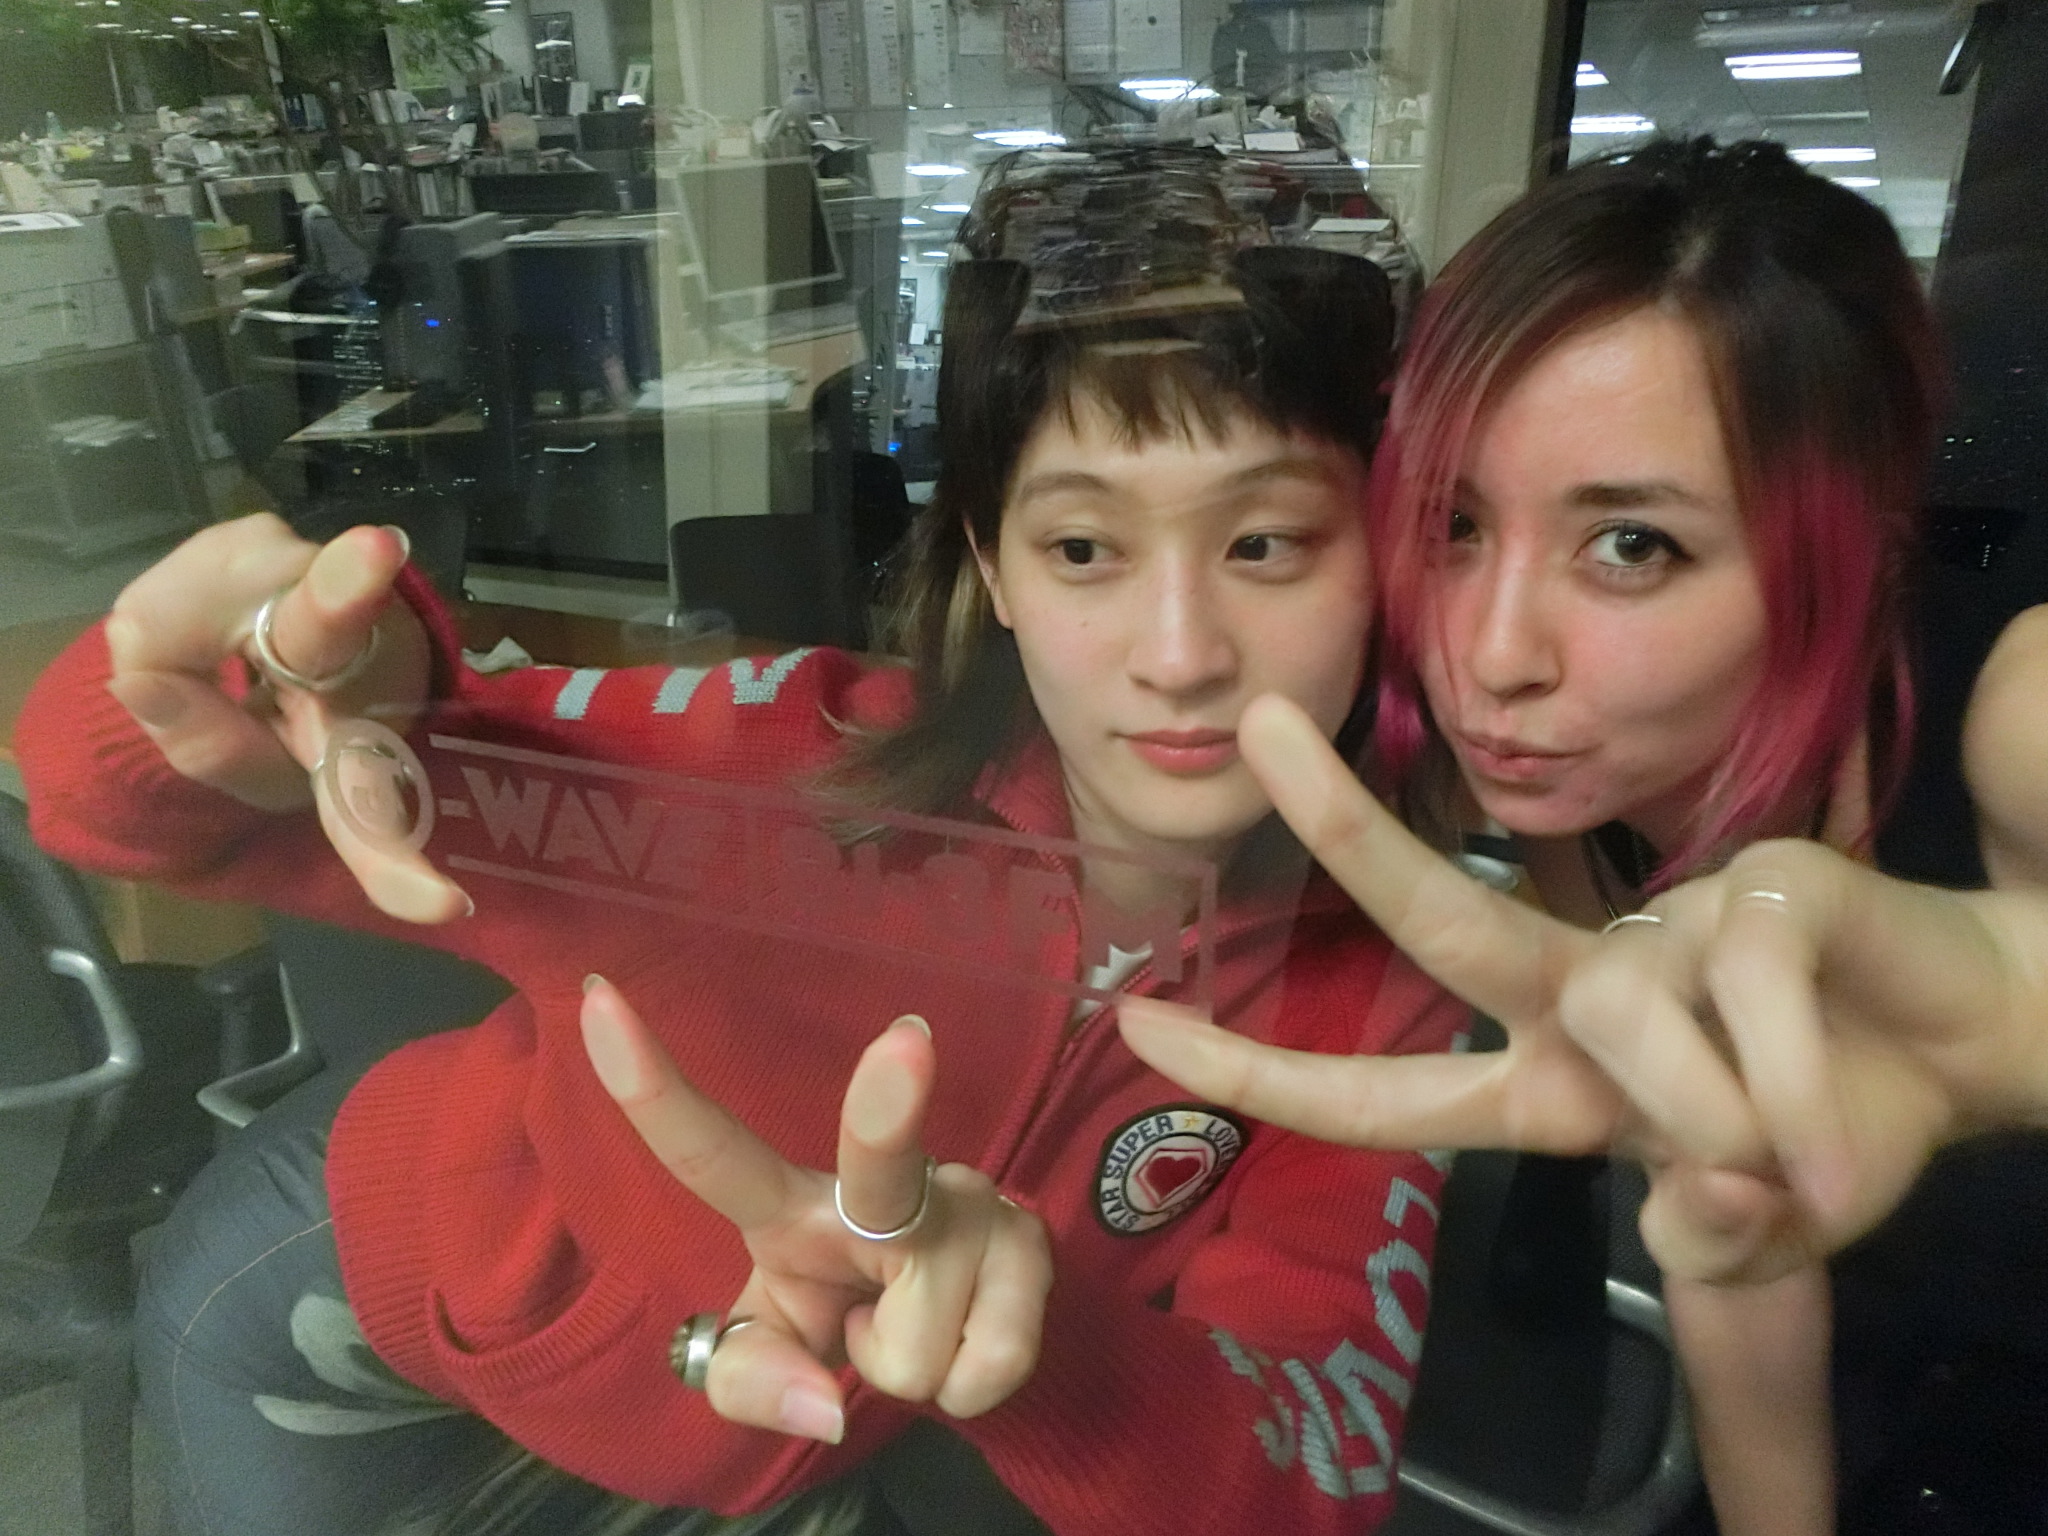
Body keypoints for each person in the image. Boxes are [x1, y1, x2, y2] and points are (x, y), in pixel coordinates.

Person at [18, 148, 1467, 1536]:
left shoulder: (1379, 999)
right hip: (346, 1308)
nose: (1180, 654)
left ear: (1384, 558)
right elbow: (127, 805)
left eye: (1266, 543)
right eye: (1083, 549)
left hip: (746, 1420)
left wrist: (1028, 1335)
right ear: (994, 568)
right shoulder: (783, 764)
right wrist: (262, 693)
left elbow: (1305, 1480)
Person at [1113, 137, 1981, 1536]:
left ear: (1856, 547)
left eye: (1631, 544)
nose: (1492, 658)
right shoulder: (1589, 814)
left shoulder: (2012, 730)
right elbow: (1742, 1268)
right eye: (1453, 524)